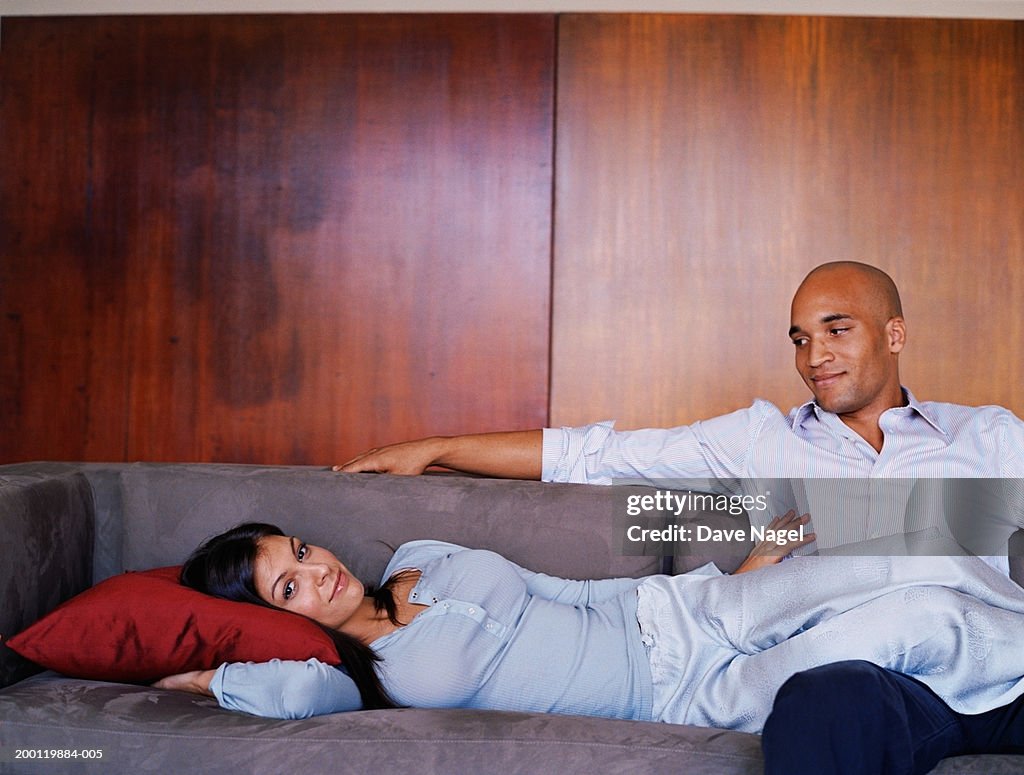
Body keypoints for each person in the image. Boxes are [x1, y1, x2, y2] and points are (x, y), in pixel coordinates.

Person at [332, 261, 1024, 774]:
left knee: (927, 549)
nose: (813, 357)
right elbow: (598, 455)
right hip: (881, 679)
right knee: (824, 696)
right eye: (799, 338)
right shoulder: (762, 440)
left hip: (1003, 673)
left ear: (894, 332)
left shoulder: (987, 437)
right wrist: (440, 447)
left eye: (836, 330)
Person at [159, 519, 1024, 741]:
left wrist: (732, 583)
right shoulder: (360, 676)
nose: (319, 569)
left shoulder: (420, 554)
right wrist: (209, 676)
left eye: (302, 548)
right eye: (290, 582)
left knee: (905, 558)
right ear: (273, 616)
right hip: (684, 694)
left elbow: (564, 587)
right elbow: (292, 690)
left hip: (681, 613)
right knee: (918, 618)